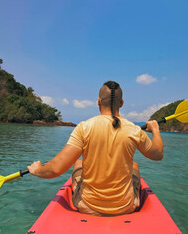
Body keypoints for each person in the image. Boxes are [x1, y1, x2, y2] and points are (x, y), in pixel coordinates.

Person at [27, 81, 164, 216]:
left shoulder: (84, 127)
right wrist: (156, 130)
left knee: (78, 163)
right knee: (134, 166)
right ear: (121, 103)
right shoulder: (134, 130)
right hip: (125, 206)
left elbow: (55, 169)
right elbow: (158, 154)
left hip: (87, 206)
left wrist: (37, 169)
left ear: (98, 101)